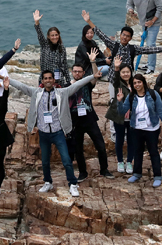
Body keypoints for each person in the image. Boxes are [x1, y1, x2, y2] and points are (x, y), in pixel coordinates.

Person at [10, 69, 99, 197]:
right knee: (45, 161)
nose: (48, 80)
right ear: (42, 80)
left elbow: (77, 85)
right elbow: (21, 86)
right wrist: (4, 78)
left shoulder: (62, 92)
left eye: (50, 78)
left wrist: (92, 76)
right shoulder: (36, 92)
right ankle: (48, 182)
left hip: (58, 132)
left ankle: (72, 184)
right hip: (44, 133)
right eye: (45, 78)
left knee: (66, 160)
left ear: (53, 80)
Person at [81, 10, 162, 98]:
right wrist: (89, 21)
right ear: (120, 35)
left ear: (130, 38)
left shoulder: (133, 49)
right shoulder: (114, 45)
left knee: (128, 102)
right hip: (113, 80)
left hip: (128, 82)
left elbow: (149, 49)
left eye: (127, 36)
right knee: (113, 102)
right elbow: (101, 34)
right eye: (123, 35)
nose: (124, 37)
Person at [117, 74, 162, 187]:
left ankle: (157, 176)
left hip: (152, 128)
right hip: (136, 128)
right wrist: (119, 101)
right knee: (138, 151)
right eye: (135, 83)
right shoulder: (131, 97)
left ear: (143, 82)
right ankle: (137, 173)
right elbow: (122, 112)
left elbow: (161, 111)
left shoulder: (153, 94)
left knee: (153, 152)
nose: (137, 85)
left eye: (139, 82)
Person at [69, 48, 114, 182]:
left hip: (89, 119)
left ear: (83, 73)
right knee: (78, 149)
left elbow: (96, 76)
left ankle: (104, 169)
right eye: (75, 71)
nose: (77, 74)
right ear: (72, 73)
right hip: (75, 122)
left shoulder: (88, 84)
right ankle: (83, 173)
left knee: (100, 145)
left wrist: (93, 62)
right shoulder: (67, 86)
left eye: (79, 72)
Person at [126, 0, 162, 74]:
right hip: (144, 22)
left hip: (154, 22)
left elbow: (161, 8)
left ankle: (151, 67)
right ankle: (148, 64)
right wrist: (130, 10)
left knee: (151, 44)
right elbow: (129, 4)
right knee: (146, 43)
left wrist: (153, 21)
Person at [106, 56, 135, 174]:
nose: (126, 74)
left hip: (132, 117)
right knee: (119, 139)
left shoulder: (135, 84)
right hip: (119, 116)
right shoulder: (118, 84)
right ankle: (119, 161)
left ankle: (129, 162)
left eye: (128, 72)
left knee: (131, 140)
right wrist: (116, 68)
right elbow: (115, 78)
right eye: (123, 72)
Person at [33, 10, 71, 87]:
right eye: (52, 35)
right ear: (48, 36)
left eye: (56, 35)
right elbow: (39, 34)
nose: (54, 37)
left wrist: (68, 80)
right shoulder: (45, 45)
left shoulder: (61, 48)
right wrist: (37, 22)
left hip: (58, 80)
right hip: (45, 79)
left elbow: (64, 65)